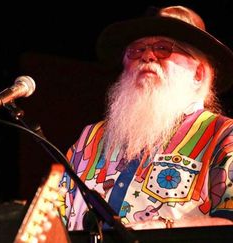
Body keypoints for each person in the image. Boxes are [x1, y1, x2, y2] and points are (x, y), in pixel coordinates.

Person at [58, 5, 233, 231]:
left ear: (198, 73)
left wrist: (158, 229)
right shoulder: (89, 137)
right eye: (136, 50)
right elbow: (53, 214)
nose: (148, 56)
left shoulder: (223, 135)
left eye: (163, 48)